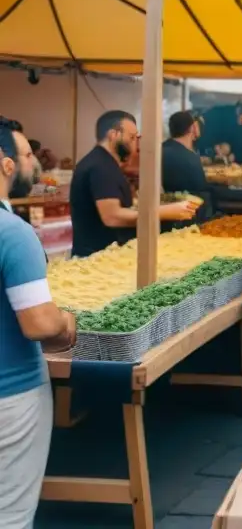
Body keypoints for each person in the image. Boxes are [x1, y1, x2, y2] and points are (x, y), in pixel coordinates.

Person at [0, 123, 78, 528]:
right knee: (9, 515)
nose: (35, 161)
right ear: (7, 164)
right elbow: (39, 323)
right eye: (28, 155)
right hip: (10, 397)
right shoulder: (13, 233)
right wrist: (68, 321)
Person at [70, 111, 194, 258]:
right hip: (96, 257)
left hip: (105, 252)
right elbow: (112, 216)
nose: (135, 143)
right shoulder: (101, 166)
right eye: (132, 137)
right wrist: (164, 211)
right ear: (113, 135)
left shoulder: (103, 162)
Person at [161, 111, 212, 227]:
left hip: (166, 217)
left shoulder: (161, 149)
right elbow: (202, 189)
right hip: (187, 220)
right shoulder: (190, 158)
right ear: (192, 127)